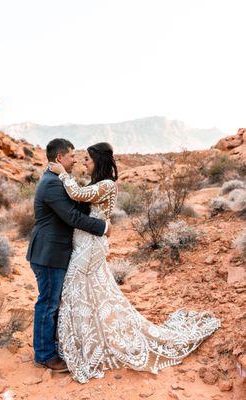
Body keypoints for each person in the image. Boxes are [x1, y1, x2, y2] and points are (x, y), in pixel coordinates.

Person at [48, 142, 221, 384]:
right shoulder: (97, 183)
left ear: (98, 161)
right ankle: (85, 342)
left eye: (87, 159)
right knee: (84, 293)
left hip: (91, 247)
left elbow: (77, 195)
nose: (84, 162)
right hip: (83, 244)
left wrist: (64, 174)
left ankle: (86, 347)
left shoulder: (106, 184)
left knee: (77, 291)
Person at [26, 138, 111, 372]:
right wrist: (103, 227)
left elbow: (75, 207)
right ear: (59, 159)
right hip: (49, 253)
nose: (75, 159)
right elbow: (71, 217)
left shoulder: (56, 180)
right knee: (48, 303)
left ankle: (51, 347)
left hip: (53, 251)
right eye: (71, 155)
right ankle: (44, 356)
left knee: (52, 301)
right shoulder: (52, 183)